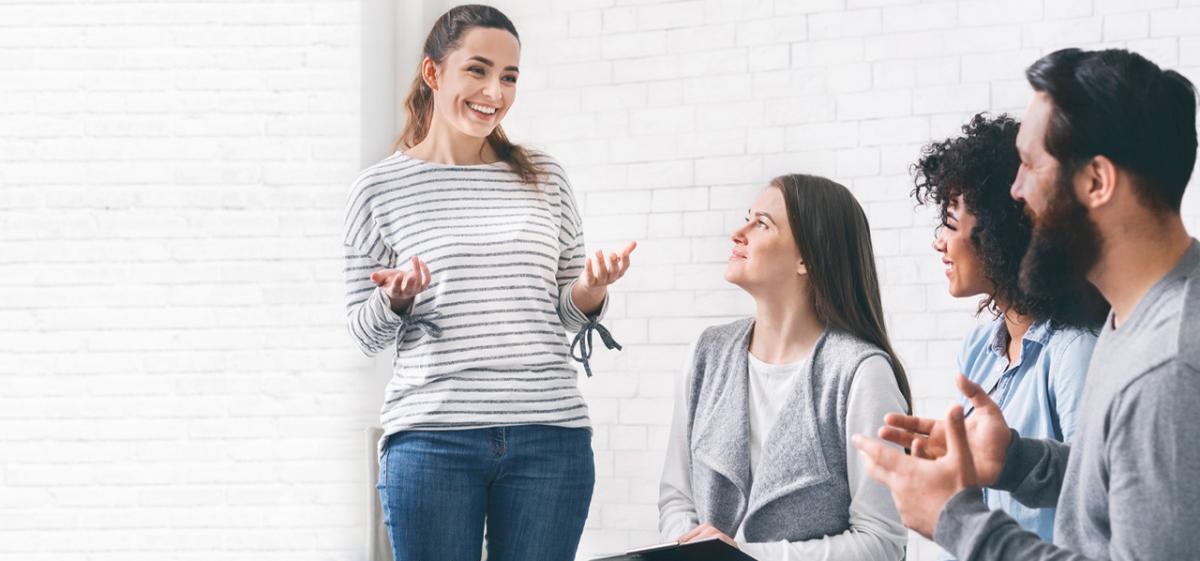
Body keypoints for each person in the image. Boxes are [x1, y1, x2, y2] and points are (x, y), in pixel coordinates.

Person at [854, 47, 1200, 560]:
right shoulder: (1133, 318)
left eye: (1032, 165)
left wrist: (959, 522)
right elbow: (1118, 493)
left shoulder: (1169, 367)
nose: (1016, 191)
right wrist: (1014, 459)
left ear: (1096, 182)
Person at [342, 5, 634, 561]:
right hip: (432, 440)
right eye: (477, 70)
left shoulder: (544, 177)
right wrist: (395, 299)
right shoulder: (378, 190)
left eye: (509, 76)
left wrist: (591, 291)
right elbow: (363, 334)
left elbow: (565, 310)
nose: (494, 91)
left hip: (551, 436)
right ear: (434, 73)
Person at [659, 174, 910, 561]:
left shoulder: (862, 373)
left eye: (761, 223)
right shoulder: (706, 354)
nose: (738, 233)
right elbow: (677, 499)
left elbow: (882, 543)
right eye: (748, 218)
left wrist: (744, 556)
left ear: (807, 257)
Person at [911, 113, 1106, 557]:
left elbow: (1098, 489)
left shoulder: (1073, 351)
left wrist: (1013, 461)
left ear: (1000, 231)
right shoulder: (979, 349)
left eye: (950, 223)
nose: (939, 242)